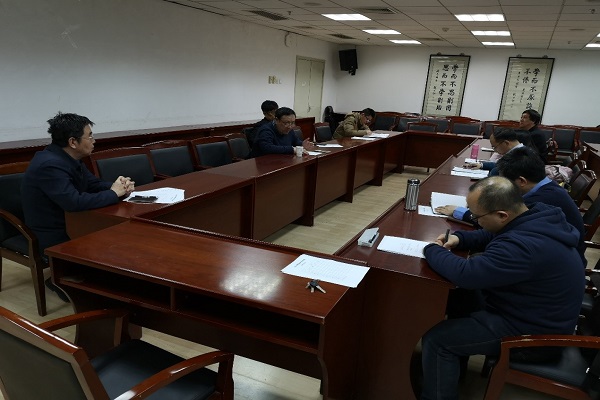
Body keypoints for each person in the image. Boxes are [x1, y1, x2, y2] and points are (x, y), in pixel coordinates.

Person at [421, 176, 585, 400]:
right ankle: (450, 372)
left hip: (535, 336)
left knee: (438, 340)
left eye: (477, 217)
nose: (475, 221)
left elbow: (466, 274)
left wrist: (432, 249)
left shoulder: (522, 247)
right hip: (534, 311)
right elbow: (491, 232)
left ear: (502, 215)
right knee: (461, 296)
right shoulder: (536, 214)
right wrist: (460, 239)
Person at [21, 112, 134, 300]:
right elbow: (74, 202)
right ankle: (61, 280)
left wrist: (118, 187)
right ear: (73, 142)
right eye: (90, 136)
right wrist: (114, 193)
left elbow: (93, 184)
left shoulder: (69, 157)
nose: (94, 141)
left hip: (73, 220)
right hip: (52, 230)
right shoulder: (49, 164)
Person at [496, 146, 586, 266]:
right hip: (553, 252)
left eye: (505, 182)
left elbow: (502, 225)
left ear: (522, 181)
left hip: (559, 263)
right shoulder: (547, 186)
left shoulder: (540, 200)